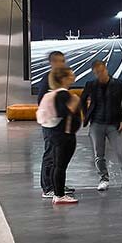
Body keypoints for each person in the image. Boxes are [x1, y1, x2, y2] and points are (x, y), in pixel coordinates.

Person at [82, 57, 122, 193]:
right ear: (94, 73)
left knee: (121, 152)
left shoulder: (118, 84)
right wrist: (86, 115)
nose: (100, 74)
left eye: (102, 71)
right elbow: (82, 100)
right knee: (98, 154)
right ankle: (103, 179)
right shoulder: (91, 85)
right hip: (96, 124)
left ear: (106, 69)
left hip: (114, 124)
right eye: (97, 72)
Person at [45, 69, 83, 206]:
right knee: (60, 166)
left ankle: (58, 193)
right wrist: (73, 104)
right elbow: (63, 113)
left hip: (56, 133)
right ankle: (59, 195)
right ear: (63, 78)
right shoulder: (63, 95)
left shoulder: (54, 94)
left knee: (58, 165)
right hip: (64, 135)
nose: (73, 76)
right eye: (70, 75)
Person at [37, 50, 69, 197]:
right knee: (50, 154)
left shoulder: (58, 79)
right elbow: (42, 101)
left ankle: (57, 184)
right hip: (51, 125)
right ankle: (48, 187)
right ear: (52, 63)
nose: (62, 64)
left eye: (63, 61)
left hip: (59, 124)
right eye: (59, 61)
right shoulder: (48, 79)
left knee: (58, 155)